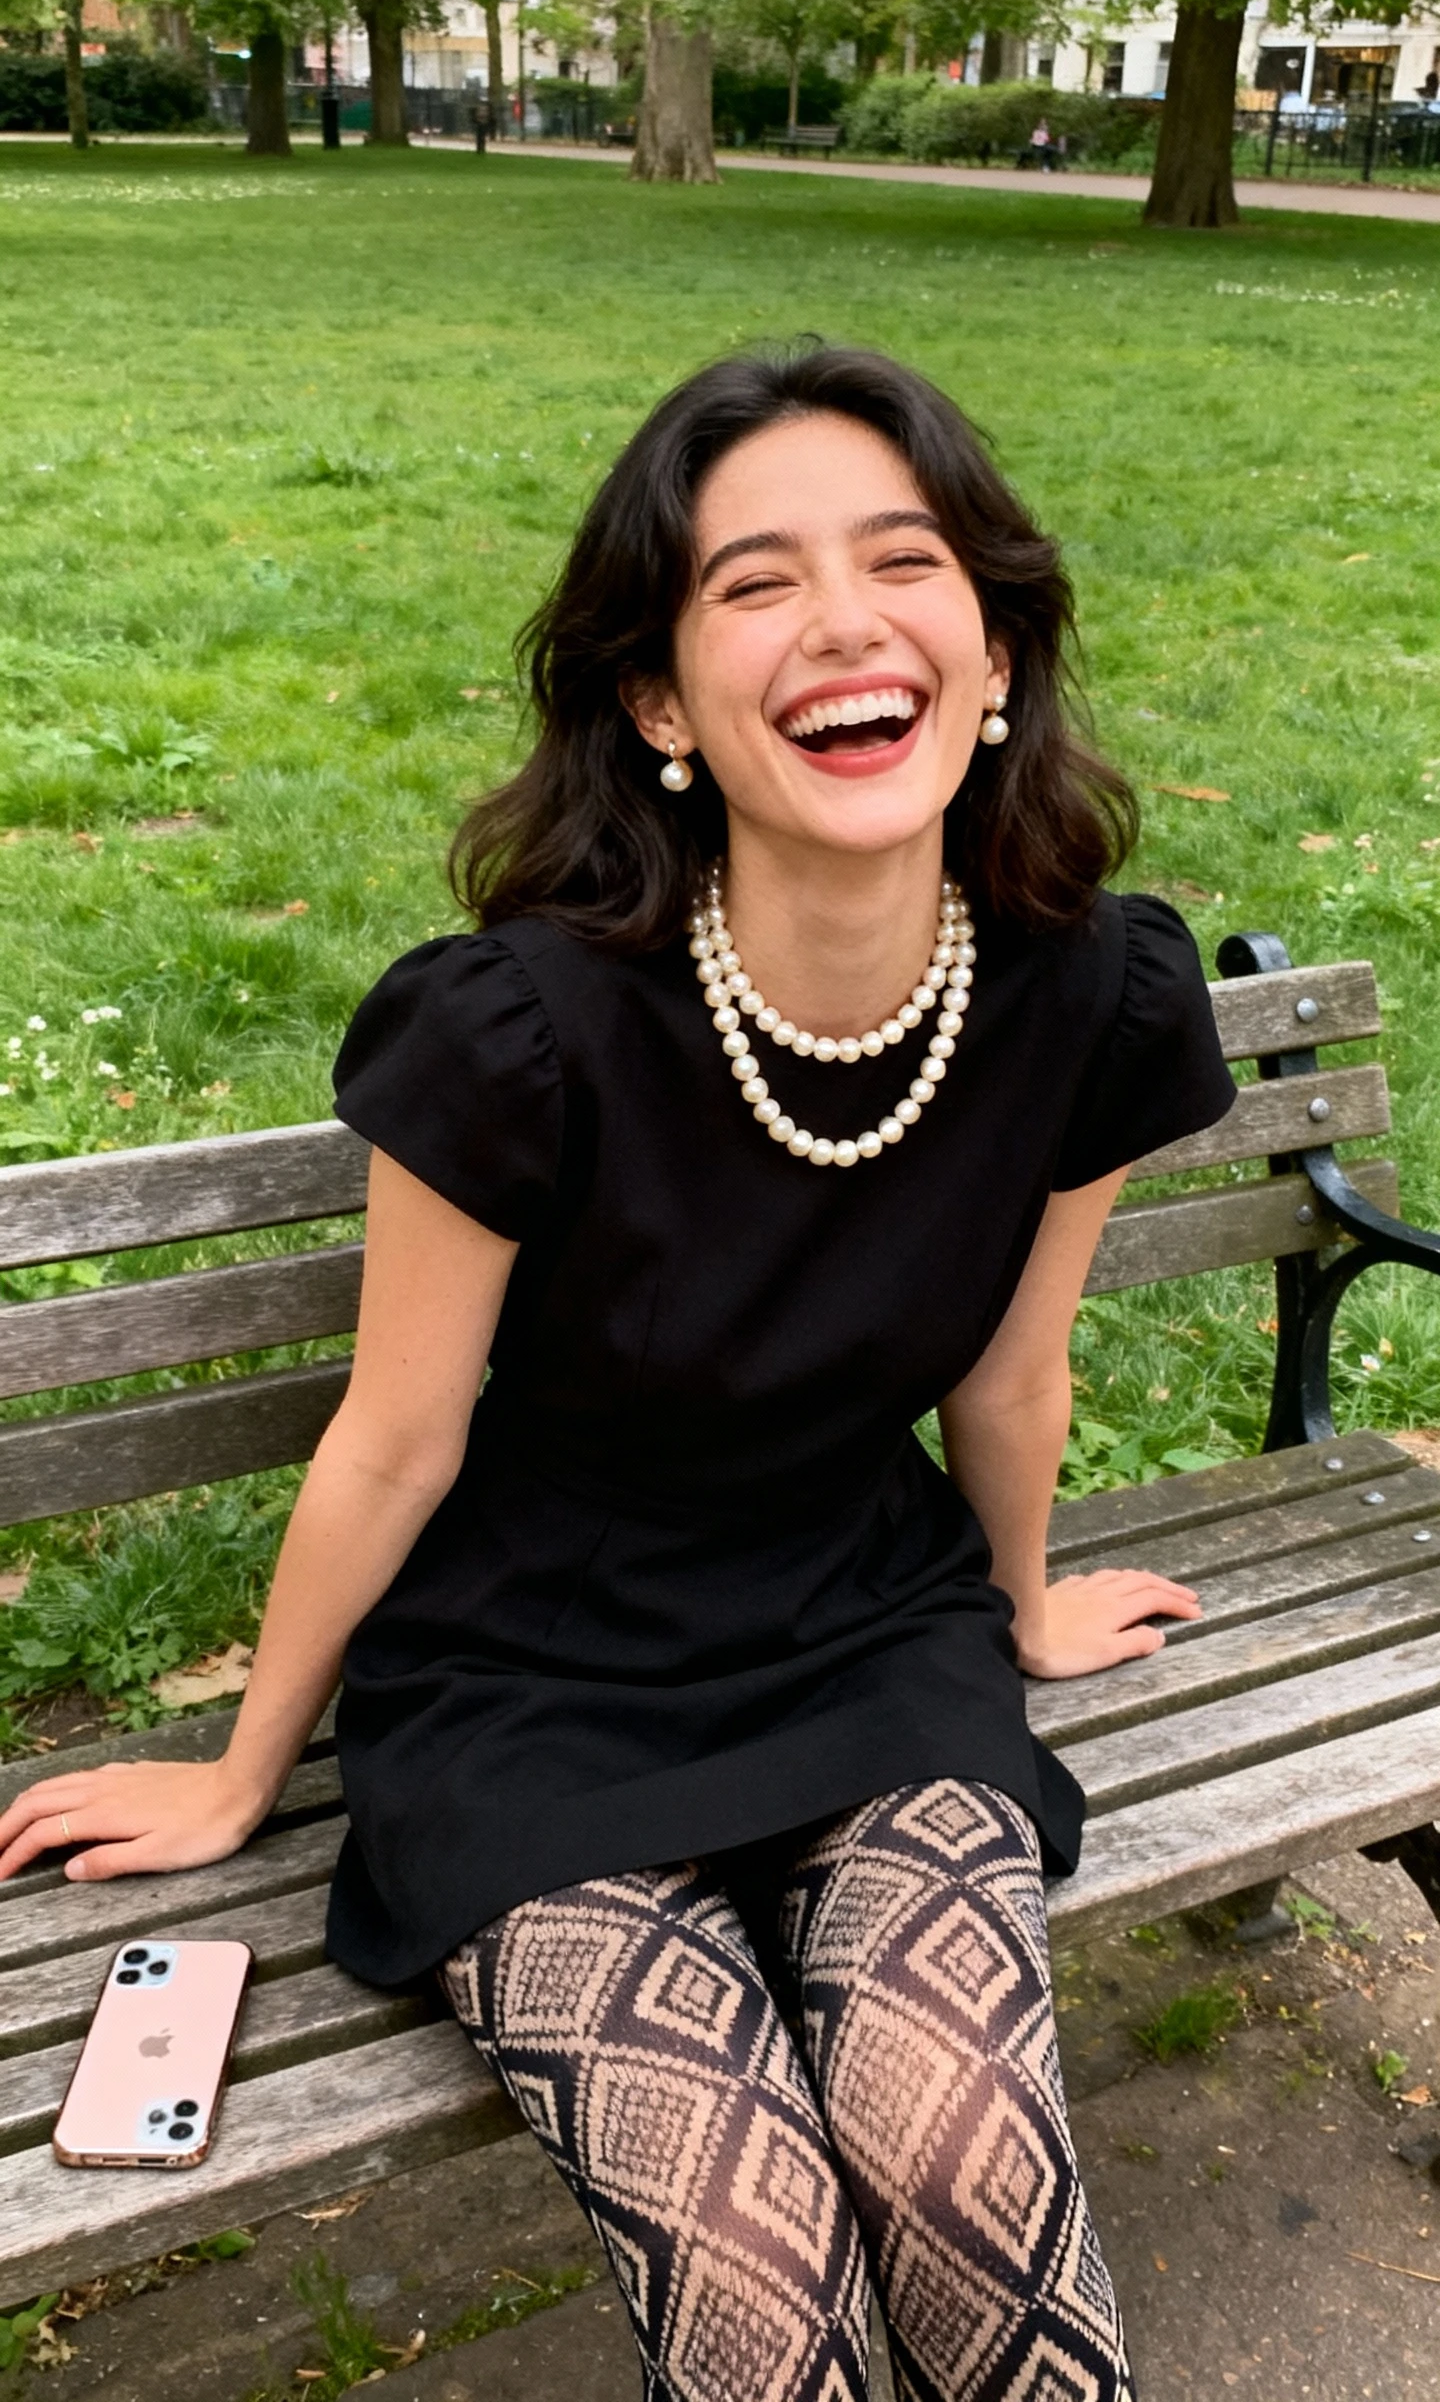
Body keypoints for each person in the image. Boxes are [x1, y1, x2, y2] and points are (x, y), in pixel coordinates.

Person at [0, 346, 1236, 2401]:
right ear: (660, 701)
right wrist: (238, 1770)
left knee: (963, 2163)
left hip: (868, 1623)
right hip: (531, 1683)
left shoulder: (1088, 994)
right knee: (756, 2273)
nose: (842, 620)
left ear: (997, 653)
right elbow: (395, 1441)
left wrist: (1023, 1608)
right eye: (756, 582)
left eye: (903, 560)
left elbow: (1015, 1378)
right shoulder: (517, 1034)